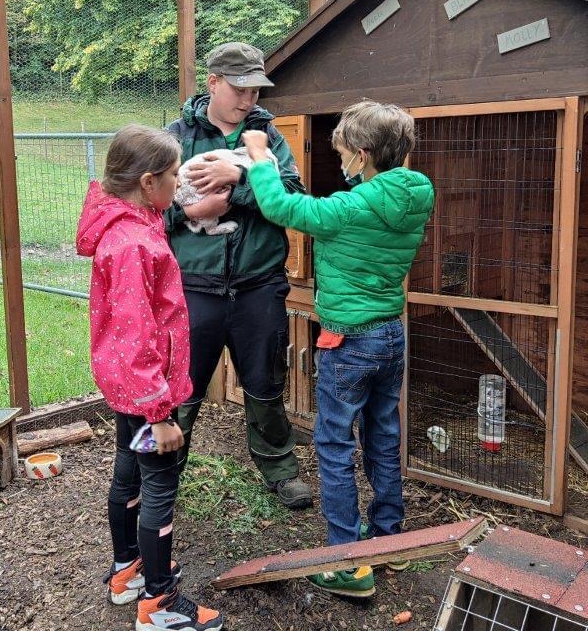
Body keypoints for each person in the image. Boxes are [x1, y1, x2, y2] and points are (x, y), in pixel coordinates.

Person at [242, 100, 434, 598]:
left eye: (345, 152)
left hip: (350, 340)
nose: (341, 161)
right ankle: (386, 537)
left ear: (363, 154)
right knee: (383, 434)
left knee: (333, 444)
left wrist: (261, 157)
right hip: (391, 333)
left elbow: (282, 208)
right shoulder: (417, 194)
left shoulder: (348, 209)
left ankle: (347, 562)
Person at [76, 124, 223, 631]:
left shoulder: (129, 223)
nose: (179, 183)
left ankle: (128, 570)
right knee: (159, 484)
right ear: (146, 181)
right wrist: (160, 414)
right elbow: (138, 332)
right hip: (149, 391)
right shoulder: (134, 241)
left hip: (127, 386)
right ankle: (159, 604)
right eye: (174, 175)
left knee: (128, 472)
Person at [165, 41, 312, 509]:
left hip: (257, 284)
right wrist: (196, 209)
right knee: (181, 385)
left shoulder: (266, 134)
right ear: (213, 82)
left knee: (266, 380)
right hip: (194, 286)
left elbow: (290, 194)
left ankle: (279, 468)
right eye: (240, 89)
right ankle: (163, 473)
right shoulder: (176, 136)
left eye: (256, 90)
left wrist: (236, 181)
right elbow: (145, 207)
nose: (249, 100)